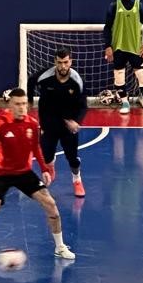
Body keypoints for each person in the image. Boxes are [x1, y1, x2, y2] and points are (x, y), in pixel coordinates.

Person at [0, 89, 75, 262]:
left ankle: (60, 247)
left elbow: (35, 148)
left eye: (24, 104)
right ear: (10, 104)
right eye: (17, 104)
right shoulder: (0, 124)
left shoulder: (32, 124)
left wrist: (44, 169)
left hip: (24, 173)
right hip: (0, 174)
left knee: (51, 205)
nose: (22, 108)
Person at [33, 47, 89, 198]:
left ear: (70, 62)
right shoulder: (46, 78)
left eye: (65, 62)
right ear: (55, 62)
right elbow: (34, 89)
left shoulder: (77, 81)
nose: (63, 66)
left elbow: (83, 106)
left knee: (72, 158)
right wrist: (30, 106)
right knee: (46, 155)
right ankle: (51, 165)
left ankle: (77, 180)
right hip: (49, 124)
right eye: (59, 62)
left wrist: (77, 121)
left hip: (68, 125)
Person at [102, 0, 143, 116]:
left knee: (142, 75)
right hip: (118, 47)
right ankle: (125, 102)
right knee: (119, 76)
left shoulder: (139, 5)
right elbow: (107, 28)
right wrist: (108, 46)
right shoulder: (114, 6)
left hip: (135, 47)